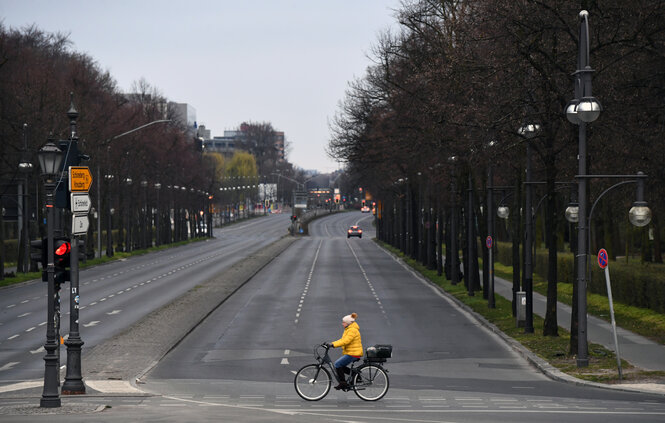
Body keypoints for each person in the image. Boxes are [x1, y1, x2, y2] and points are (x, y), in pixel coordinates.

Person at [327, 312, 363, 390]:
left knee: (337, 364)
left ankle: (343, 383)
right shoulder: (348, 329)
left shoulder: (352, 330)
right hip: (351, 352)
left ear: (348, 323)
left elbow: (345, 341)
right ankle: (356, 375)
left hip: (353, 353)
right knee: (341, 366)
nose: (342, 324)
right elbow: (342, 340)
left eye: (343, 322)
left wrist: (333, 345)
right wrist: (332, 343)